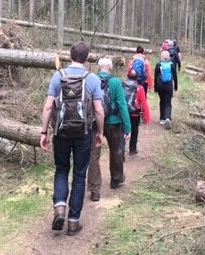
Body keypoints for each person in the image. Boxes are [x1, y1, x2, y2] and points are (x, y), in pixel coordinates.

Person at [40, 41, 104, 236]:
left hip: (60, 132)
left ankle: (59, 208)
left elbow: (49, 107)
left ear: (69, 55)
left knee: (61, 170)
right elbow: (99, 110)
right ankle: (73, 222)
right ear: (86, 58)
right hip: (83, 133)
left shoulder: (57, 76)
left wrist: (44, 132)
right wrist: (100, 133)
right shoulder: (92, 79)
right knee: (79, 175)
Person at [87, 58, 131, 202]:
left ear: (99, 67)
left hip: (94, 122)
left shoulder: (89, 79)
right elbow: (122, 105)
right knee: (116, 150)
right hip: (113, 122)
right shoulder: (116, 82)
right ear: (111, 68)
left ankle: (94, 190)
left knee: (94, 155)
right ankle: (116, 179)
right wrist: (127, 127)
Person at [124, 69, 151, 155]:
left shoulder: (122, 86)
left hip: (124, 113)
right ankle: (132, 149)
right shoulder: (140, 88)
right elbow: (143, 103)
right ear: (137, 78)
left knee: (123, 131)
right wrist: (146, 117)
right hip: (135, 114)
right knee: (134, 131)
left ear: (128, 76)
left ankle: (121, 150)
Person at [154, 50, 178, 130]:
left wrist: (155, 88)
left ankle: (162, 118)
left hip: (160, 85)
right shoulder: (172, 65)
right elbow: (175, 76)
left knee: (162, 101)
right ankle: (167, 117)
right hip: (169, 86)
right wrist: (176, 86)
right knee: (168, 102)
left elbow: (155, 77)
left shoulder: (158, 64)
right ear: (169, 57)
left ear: (161, 56)